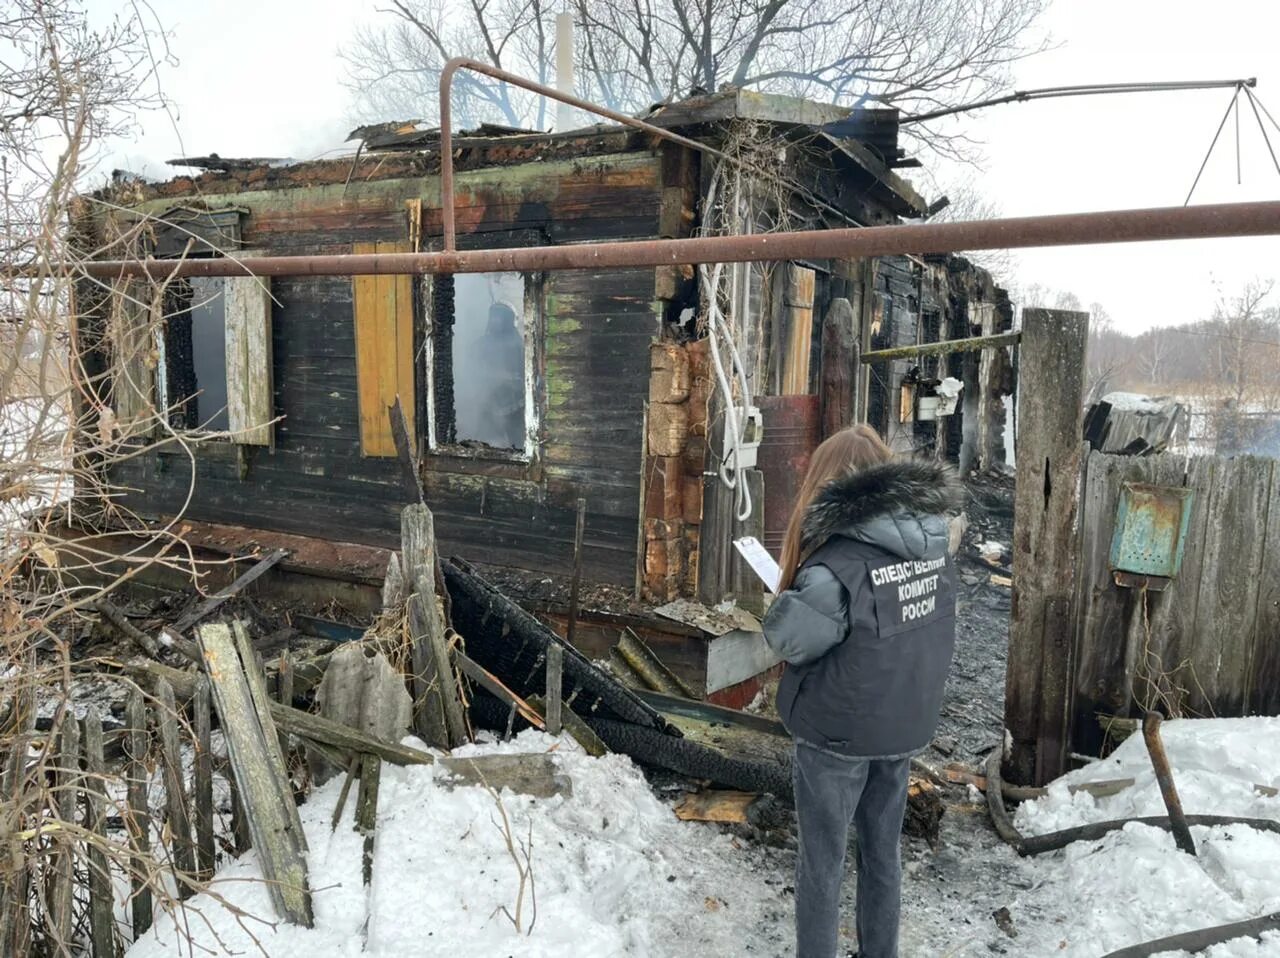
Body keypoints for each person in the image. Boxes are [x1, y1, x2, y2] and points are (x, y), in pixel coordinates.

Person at [762, 424, 960, 958]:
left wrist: (787, 596)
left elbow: (788, 639)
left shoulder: (838, 565)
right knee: (882, 854)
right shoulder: (931, 545)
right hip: (903, 725)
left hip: (837, 735)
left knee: (821, 865)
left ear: (830, 484)